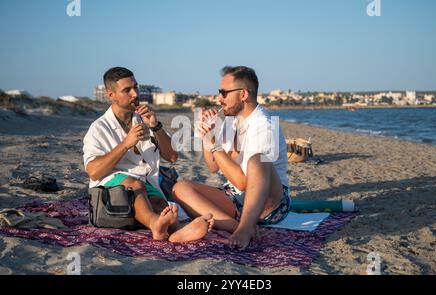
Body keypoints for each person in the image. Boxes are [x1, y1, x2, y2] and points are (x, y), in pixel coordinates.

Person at [83, 67, 213, 242]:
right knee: (134, 184)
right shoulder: (99, 128)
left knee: (159, 203)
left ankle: (177, 232)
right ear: (111, 94)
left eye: (136, 87)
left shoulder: (143, 120)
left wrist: (155, 126)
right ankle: (155, 225)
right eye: (127, 90)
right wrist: (126, 144)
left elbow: (173, 157)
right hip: (110, 188)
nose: (135, 94)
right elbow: (93, 172)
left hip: (145, 183)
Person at [172, 66, 290, 250]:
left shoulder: (264, 126)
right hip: (235, 197)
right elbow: (213, 166)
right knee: (180, 188)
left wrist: (215, 145)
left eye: (224, 93)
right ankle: (237, 226)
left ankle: (245, 227)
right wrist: (207, 136)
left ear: (243, 94)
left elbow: (243, 182)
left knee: (257, 160)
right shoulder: (232, 122)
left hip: (270, 204)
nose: (219, 98)